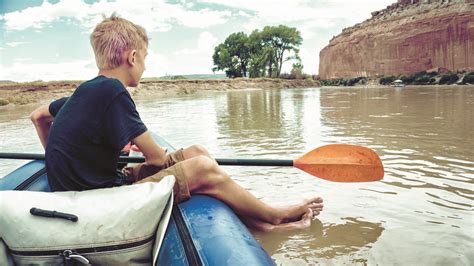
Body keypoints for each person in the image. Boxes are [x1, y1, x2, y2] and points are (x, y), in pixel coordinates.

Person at [30, 15, 323, 231]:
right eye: (144, 58)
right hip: (98, 202)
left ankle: (258, 224)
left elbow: (39, 116)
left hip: (92, 187)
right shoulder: (113, 90)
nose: (145, 66)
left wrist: (58, 159)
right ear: (132, 57)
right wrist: (152, 157)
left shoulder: (85, 90)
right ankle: (272, 215)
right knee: (203, 167)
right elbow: (156, 158)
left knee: (196, 151)